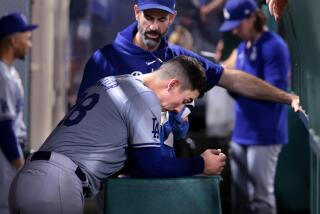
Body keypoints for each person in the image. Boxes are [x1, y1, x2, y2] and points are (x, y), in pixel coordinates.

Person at [78, 0, 300, 159]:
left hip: (161, 170)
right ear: (137, 13)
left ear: (172, 18)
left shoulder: (177, 59)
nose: (154, 26)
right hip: (113, 170)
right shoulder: (105, 60)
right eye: (149, 17)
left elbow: (231, 78)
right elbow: (82, 120)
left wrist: (287, 97)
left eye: (162, 18)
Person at [9, 56, 227, 214]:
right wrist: (200, 164)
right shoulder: (145, 98)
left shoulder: (113, 81)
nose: (181, 109)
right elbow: (151, 166)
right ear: (173, 84)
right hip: (56, 186)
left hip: (28, 179)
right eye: (186, 100)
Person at [219, 0, 291, 213]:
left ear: (252, 17)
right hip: (241, 132)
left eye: (238, 24)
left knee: (261, 198)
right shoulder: (243, 46)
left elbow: (274, 94)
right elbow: (233, 82)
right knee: (240, 197)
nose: (234, 30)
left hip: (264, 134)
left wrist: (235, 85)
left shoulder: (274, 46)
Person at [0, 13, 38, 214]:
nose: (29, 44)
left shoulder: (10, 73)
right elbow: (3, 127)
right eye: (27, 38)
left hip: (11, 157)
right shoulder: (2, 75)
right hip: (6, 159)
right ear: (14, 41)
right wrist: (19, 164)